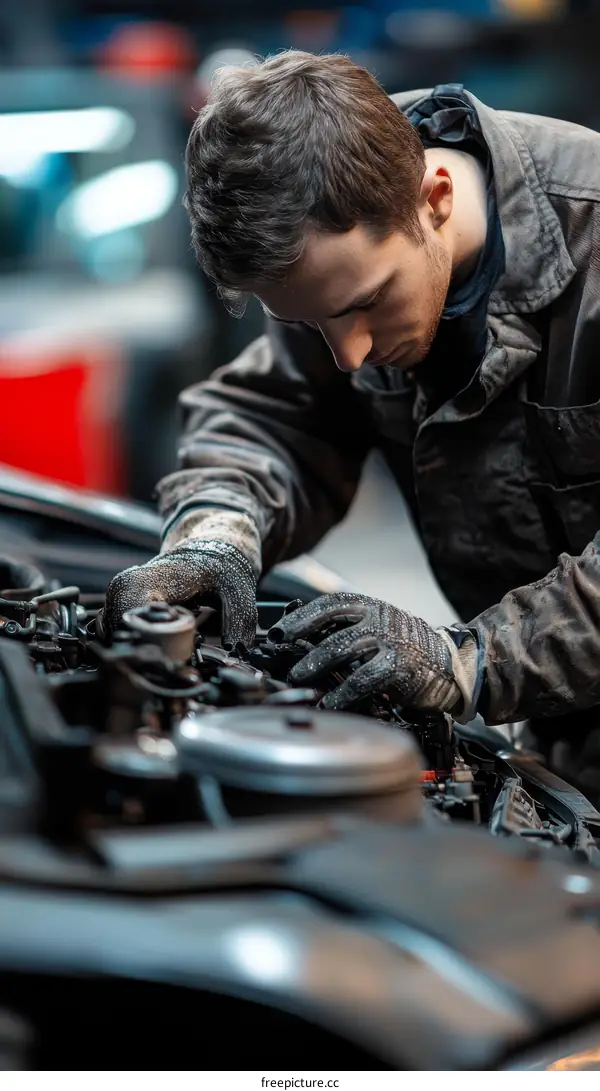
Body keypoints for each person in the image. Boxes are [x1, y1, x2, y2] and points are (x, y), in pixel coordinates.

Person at [102, 51, 600, 790]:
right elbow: (279, 419)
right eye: (311, 324)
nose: (351, 356)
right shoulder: (328, 213)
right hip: (567, 735)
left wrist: (471, 659)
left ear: (433, 196)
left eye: (364, 304)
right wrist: (217, 537)